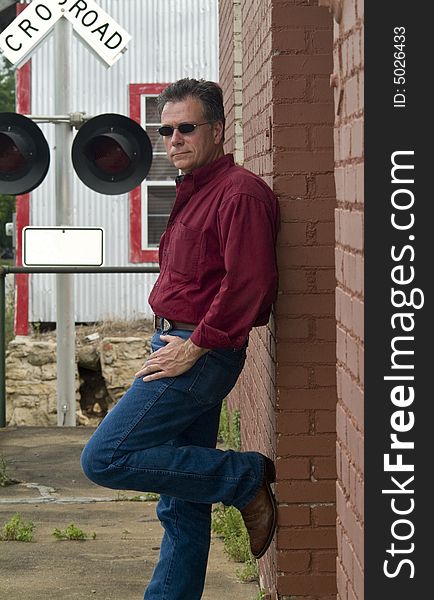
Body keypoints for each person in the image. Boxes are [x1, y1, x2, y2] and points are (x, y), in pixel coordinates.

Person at [80, 78, 280, 600]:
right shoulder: (195, 189)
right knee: (181, 503)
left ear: (216, 130)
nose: (174, 140)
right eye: (166, 130)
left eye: (186, 128)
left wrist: (194, 346)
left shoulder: (239, 193)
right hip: (175, 344)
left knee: (106, 458)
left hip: (200, 353)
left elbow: (250, 284)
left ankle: (244, 477)